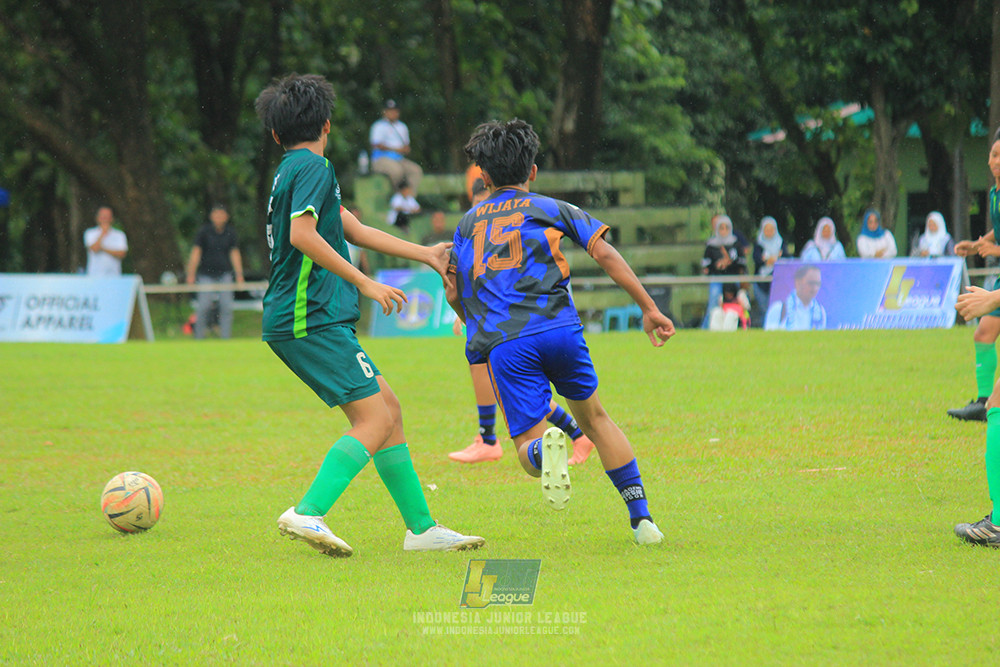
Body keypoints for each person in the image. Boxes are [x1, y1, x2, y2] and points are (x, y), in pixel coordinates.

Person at [254, 73, 483, 556]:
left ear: (276, 134)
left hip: (305, 317)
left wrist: (424, 254)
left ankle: (421, 529)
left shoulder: (293, 170)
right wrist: (364, 282)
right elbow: (304, 236)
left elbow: (349, 226)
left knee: (389, 411)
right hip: (307, 317)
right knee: (373, 419)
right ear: (328, 125)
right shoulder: (313, 168)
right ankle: (308, 512)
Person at [446, 119, 675, 545]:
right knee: (598, 420)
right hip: (561, 330)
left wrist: (467, 315)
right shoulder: (550, 208)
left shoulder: (467, 226)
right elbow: (604, 252)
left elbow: (455, 292)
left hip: (508, 344)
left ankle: (543, 448)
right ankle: (642, 520)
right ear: (532, 171)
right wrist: (649, 308)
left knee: (526, 451)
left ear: (485, 177)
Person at [949, 131, 1000, 422]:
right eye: (994, 154)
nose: (997, 161)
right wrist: (978, 242)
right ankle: (983, 403)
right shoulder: (995, 193)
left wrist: (995, 248)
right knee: (983, 333)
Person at [185, 204, 245, 339]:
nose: (218, 218)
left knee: (226, 307)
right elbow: (196, 252)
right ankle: (198, 338)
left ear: (226, 217)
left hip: (225, 274)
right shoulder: (204, 232)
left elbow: (234, 253)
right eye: (216, 214)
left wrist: (239, 274)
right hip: (206, 274)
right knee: (203, 307)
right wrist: (191, 274)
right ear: (211, 216)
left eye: (221, 214)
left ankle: (225, 338)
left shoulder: (230, 232)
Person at [700, 215, 747, 329]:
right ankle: (707, 328)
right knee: (714, 303)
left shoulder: (736, 244)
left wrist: (729, 262)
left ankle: (738, 326)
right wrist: (718, 265)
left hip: (732, 278)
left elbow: (742, 262)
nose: (724, 231)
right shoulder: (711, 245)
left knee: (734, 303)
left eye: (726, 228)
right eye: (721, 228)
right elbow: (706, 264)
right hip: (717, 278)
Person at [369, 99, 423, 194]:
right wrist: (397, 149)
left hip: (399, 159)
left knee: (416, 170)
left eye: (394, 111)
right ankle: (397, 199)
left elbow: (406, 147)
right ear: (384, 112)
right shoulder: (378, 126)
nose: (392, 113)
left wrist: (404, 150)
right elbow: (377, 145)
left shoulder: (402, 127)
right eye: (389, 111)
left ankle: (409, 201)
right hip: (381, 159)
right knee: (396, 171)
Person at [764, 264, 827, 331]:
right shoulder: (778, 309)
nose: (815, 288)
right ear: (798, 282)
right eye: (811, 283)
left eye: (818, 284)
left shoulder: (820, 311)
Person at [751, 216, 789, 318]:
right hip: (761, 282)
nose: (769, 232)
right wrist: (774, 258)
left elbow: (786, 258)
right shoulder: (758, 244)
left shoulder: (781, 243)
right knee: (764, 310)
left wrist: (770, 260)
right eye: (766, 229)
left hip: (778, 281)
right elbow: (757, 259)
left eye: (771, 229)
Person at [84, 206, 128, 276]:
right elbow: (94, 248)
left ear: (112, 219)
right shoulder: (90, 233)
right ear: (98, 218)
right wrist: (103, 234)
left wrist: (103, 249)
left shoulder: (119, 234)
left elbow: (122, 253)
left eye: (107, 217)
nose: (105, 219)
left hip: (114, 275)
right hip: (94, 275)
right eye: (103, 217)